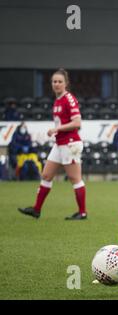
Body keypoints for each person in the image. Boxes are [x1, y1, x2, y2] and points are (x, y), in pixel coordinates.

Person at [18, 68, 87, 220]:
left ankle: (82, 212)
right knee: (46, 175)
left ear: (66, 83)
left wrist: (57, 129)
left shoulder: (69, 98)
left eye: (60, 81)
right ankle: (36, 209)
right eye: (54, 81)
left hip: (70, 143)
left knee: (75, 178)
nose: (56, 84)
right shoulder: (57, 100)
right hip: (60, 143)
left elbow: (77, 123)